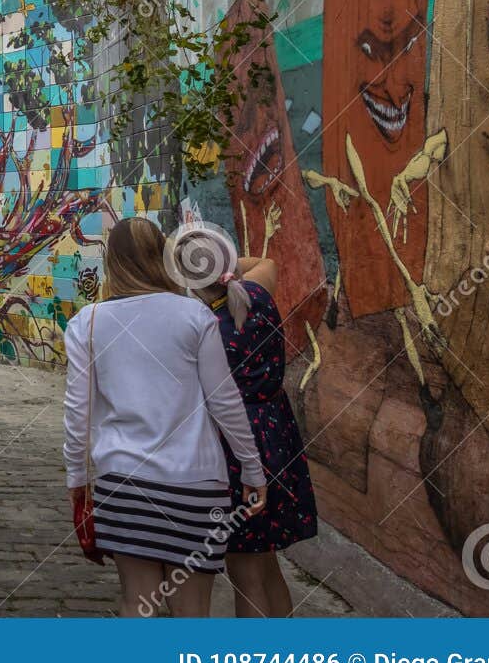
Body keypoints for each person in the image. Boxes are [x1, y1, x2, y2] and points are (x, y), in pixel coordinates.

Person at [62, 218, 267, 617]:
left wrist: (77, 477)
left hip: (122, 483)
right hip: (195, 484)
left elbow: (77, 411)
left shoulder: (86, 323)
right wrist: (253, 470)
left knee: (136, 604)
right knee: (192, 614)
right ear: (161, 257)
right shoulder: (194, 315)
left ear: (112, 263)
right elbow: (224, 400)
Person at [179, 241, 318, 617]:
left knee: (246, 573)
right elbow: (267, 261)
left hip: (238, 447)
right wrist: (223, 263)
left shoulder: (205, 326)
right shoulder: (258, 293)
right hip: (277, 435)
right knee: (267, 563)